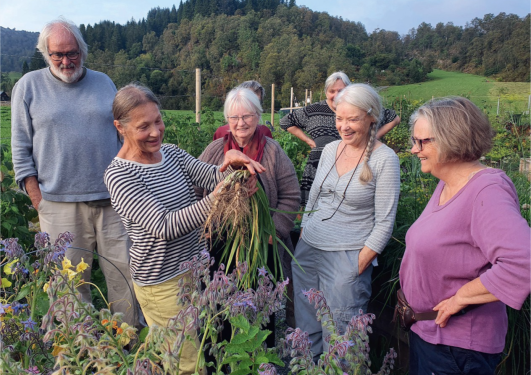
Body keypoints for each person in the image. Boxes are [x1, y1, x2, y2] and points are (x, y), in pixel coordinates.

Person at [104, 83, 264, 374]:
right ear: (120, 127)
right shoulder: (120, 176)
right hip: (163, 283)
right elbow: (163, 225)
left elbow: (211, 175)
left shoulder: (172, 154)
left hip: (196, 271)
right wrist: (217, 198)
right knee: (186, 363)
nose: (155, 131)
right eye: (144, 126)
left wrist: (234, 171)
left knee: (186, 351)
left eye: (158, 121)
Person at [11, 18, 139, 327]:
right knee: (71, 285)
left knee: (124, 276)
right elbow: (20, 145)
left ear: (82, 50)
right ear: (46, 53)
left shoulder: (104, 82)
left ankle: (128, 347)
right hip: (58, 204)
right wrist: (37, 197)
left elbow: (124, 134)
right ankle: (77, 353)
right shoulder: (29, 85)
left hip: (112, 201)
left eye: (73, 53)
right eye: (58, 55)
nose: (66, 61)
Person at [399, 97, 530, 375]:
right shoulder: (449, 183)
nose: (414, 150)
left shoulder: (486, 191)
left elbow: (523, 263)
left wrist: (461, 298)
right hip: (430, 335)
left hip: (457, 350)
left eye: (422, 142)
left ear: (451, 139)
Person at [292, 84, 400, 360]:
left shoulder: (385, 159)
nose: (344, 126)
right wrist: (305, 232)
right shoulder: (330, 150)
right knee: (307, 323)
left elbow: (385, 221)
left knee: (341, 334)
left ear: (371, 117)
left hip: (347, 256)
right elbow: (314, 195)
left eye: (353, 119)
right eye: (340, 118)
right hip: (309, 251)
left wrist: (359, 262)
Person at [196, 87, 300, 328]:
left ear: (259, 116)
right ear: (227, 120)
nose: (241, 123)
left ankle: (262, 361)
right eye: (234, 117)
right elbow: (194, 191)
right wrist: (205, 228)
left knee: (263, 311)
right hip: (220, 247)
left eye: (247, 116)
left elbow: (291, 196)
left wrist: (272, 233)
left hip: (263, 246)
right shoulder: (214, 151)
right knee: (220, 309)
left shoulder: (273, 152)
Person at [279, 71, 350, 206]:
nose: (336, 95)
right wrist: (307, 140)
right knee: (313, 210)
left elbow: (392, 118)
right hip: (317, 169)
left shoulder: (356, 110)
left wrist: (373, 137)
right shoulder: (314, 110)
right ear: (326, 92)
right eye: (331, 91)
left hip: (347, 169)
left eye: (340, 91)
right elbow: (285, 122)